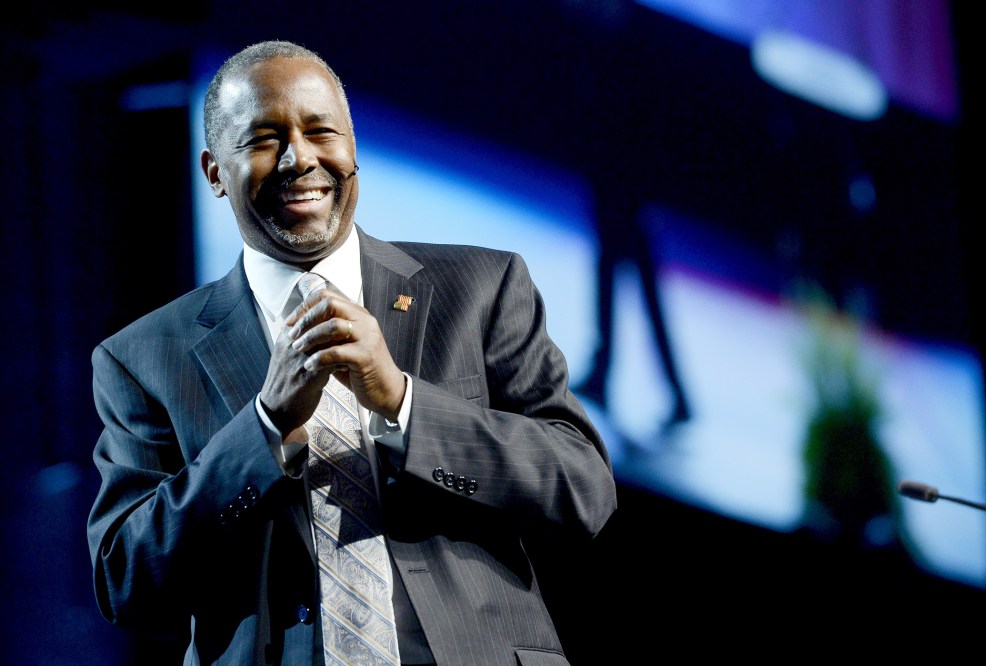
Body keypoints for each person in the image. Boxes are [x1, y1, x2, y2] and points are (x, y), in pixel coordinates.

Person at [86, 39, 617, 666]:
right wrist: (264, 425)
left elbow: (582, 491)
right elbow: (127, 583)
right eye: (262, 139)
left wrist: (401, 401)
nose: (299, 158)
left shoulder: (480, 289)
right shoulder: (143, 356)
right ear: (213, 173)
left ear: (353, 149)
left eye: (321, 132)